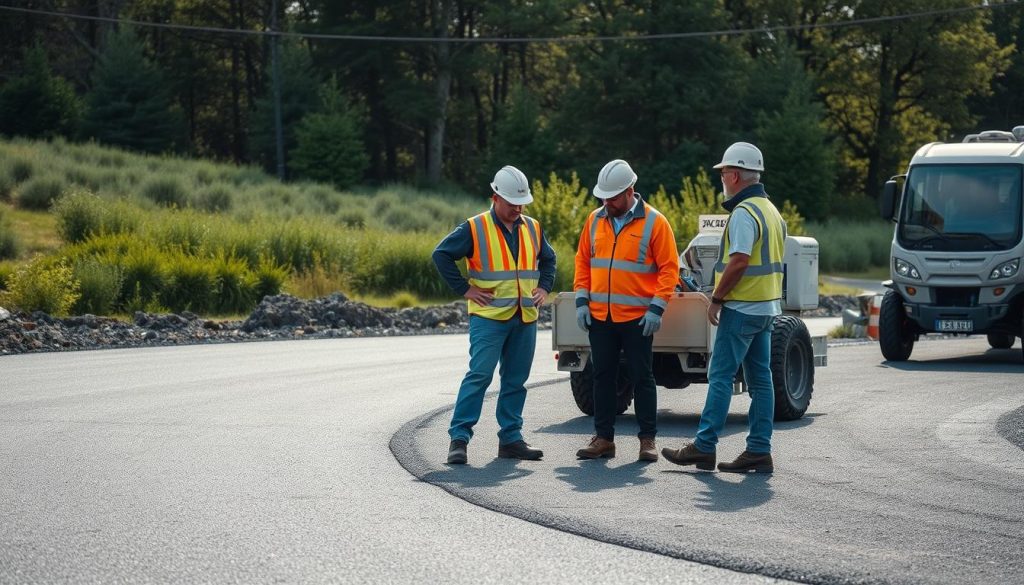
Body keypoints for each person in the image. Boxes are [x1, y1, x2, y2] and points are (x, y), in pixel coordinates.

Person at [662, 142, 786, 473]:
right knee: (761, 379)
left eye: (723, 173)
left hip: (742, 308)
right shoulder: (771, 211)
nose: (722, 178)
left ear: (733, 174)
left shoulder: (744, 214)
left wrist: (716, 298)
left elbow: (740, 260)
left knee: (720, 376)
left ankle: (704, 447)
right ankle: (759, 449)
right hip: (766, 309)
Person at [432, 165, 557, 465]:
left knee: (515, 380)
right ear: (495, 197)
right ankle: (459, 439)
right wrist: (465, 289)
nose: (518, 208)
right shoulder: (474, 228)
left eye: (521, 203)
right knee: (479, 376)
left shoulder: (533, 227)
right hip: (488, 317)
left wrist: (544, 288)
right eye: (512, 203)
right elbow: (441, 254)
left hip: (524, 317)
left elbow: (549, 259)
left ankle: (511, 439)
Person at [573, 159, 680, 462]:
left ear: (630, 191)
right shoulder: (595, 220)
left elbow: (669, 269)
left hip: (637, 318)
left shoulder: (655, 222)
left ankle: (647, 441)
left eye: (613, 197)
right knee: (602, 376)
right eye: (603, 197)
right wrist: (582, 301)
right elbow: (582, 260)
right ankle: (603, 439)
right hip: (600, 317)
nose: (607, 203)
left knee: (641, 377)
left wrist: (657, 309)